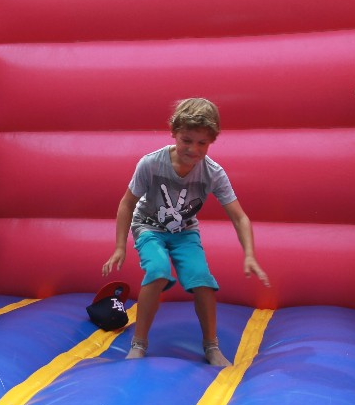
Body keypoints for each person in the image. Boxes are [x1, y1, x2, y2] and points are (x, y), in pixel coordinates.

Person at [102, 97, 270, 367]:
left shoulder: (212, 173)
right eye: (186, 140)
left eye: (202, 143)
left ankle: (211, 346)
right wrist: (120, 246)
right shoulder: (151, 164)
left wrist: (249, 254)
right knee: (157, 270)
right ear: (174, 133)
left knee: (202, 280)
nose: (193, 149)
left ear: (211, 141)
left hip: (184, 231)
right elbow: (127, 203)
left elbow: (239, 216)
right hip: (148, 225)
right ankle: (139, 343)